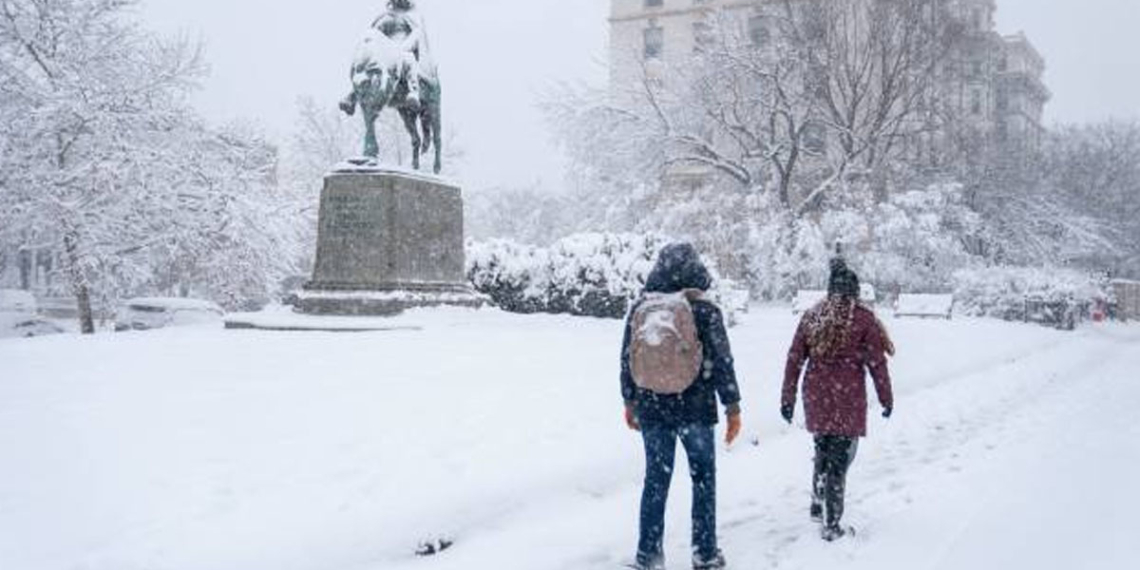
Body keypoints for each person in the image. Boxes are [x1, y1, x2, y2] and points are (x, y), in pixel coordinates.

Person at [620, 243, 743, 570]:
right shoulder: (704, 311)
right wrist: (732, 406)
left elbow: (627, 359)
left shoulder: (640, 309)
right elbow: (722, 361)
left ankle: (648, 555)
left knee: (655, 481)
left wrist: (630, 402)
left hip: (652, 408)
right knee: (703, 479)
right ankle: (704, 554)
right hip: (696, 409)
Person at [780, 259, 894, 541]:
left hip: (816, 394)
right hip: (847, 397)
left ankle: (819, 505)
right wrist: (885, 398)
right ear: (854, 292)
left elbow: (794, 359)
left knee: (822, 447)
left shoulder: (813, 315)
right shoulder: (864, 319)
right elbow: (877, 364)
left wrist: (788, 398)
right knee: (840, 459)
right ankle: (831, 524)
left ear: (830, 291)